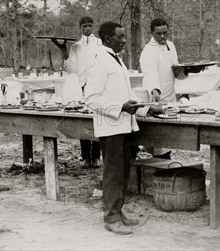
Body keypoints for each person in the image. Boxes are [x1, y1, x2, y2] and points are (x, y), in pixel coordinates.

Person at [84, 21, 163, 235]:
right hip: (110, 127)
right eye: (120, 37)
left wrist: (146, 110)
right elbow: (90, 98)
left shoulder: (116, 60)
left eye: (124, 36)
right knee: (113, 173)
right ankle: (110, 218)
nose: (124, 40)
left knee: (123, 172)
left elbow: (126, 96)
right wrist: (119, 107)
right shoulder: (100, 61)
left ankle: (118, 212)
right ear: (108, 39)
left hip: (124, 125)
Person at [52, 16, 102, 168]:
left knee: (96, 120)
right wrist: (63, 50)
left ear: (93, 27)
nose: (87, 29)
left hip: (97, 85)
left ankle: (96, 157)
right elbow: (72, 68)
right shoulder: (75, 46)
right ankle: (86, 157)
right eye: (84, 26)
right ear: (80, 28)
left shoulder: (99, 43)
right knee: (83, 121)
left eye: (90, 26)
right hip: (82, 87)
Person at [139, 18, 187, 159]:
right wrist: (154, 90)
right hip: (155, 97)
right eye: (158, 34)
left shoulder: (171, 46)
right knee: (155, 138)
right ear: (152, 33)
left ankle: (163, 162)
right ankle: (155, 165)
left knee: (167, 137)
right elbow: (150, 73)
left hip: (170, 96)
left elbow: (176, 70)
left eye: (165, 33)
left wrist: (188, 71)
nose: (162, 37)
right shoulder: (148, 51)